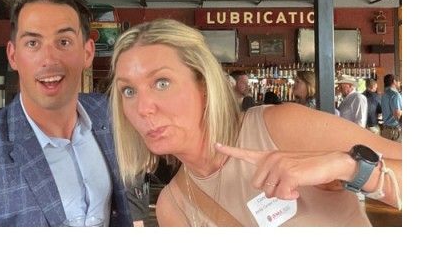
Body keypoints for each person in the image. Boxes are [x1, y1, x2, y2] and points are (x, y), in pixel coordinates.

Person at [109, 19, 402, 227]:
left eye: (162, 83)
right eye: (128, 91)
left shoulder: (280, 125)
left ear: (204, 85)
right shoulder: (172, 207)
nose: (143, 108)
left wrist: (346, 166)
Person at [0, 0, 130, 226]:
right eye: (33, 43)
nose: (49, 59)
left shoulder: (111, 114)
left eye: (64, 42)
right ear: (13, 56)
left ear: (87, 52)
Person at [378, 74, 402, 141]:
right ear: (394, 81)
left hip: (386, 130)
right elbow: (397, 114)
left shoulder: (384, 94)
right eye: (399, 81)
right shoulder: (395, 94)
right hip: (395, 131)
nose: (399, 83)